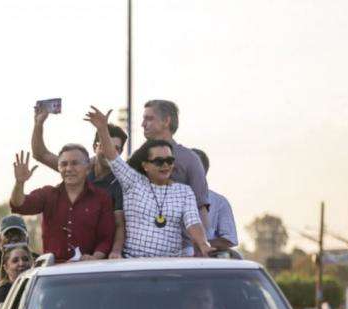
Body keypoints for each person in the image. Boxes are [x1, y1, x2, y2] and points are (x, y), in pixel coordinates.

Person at [86, 106, 212, 258]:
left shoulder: (184, 192)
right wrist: (102, 129)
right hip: (134, 264)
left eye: (169, 160)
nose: (165, 165)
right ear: (145, 165)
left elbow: (193, 222)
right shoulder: (132, 182)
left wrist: (204, 244)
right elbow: (112, 156)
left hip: (171, 266)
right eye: (159, 161)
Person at [32, 106, 127, 258]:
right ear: (95, 146)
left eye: (117, 149)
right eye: (106, 145)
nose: (111, 152)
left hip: (100, 259)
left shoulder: (120, 181)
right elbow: (40, 154)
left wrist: (115, 251)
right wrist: (38, 124)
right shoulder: (76, 166)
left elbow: (119, 225)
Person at [10, 149, 115, 263]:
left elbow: (106, 238)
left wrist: (95, 257)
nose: (69, 169)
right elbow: (19, 205)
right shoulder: (48, 194)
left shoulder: (102, 198)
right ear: (59, 168)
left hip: (88, 270)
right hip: (53, 273)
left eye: (75, 163)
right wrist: (19, 183)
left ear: (87, 167)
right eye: (64, 164)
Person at [132, 100, 210, 237]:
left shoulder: (189, 159)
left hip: (181, 249)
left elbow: (200, 207)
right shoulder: (136, 158)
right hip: (139, 246)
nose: (143, 124)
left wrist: (201, 246)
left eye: (149, 119)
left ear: (166, 121)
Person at [191, 148, 238, 251]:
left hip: (207, 263)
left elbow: (228, 240)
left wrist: (197, 245)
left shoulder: (219, 202)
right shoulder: (167, 199)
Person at [0, 245, 33, 309]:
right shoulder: (3, 294)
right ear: (6, 268)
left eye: (25, 259)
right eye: (15, 261)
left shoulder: (36, 287)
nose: (21, 263)